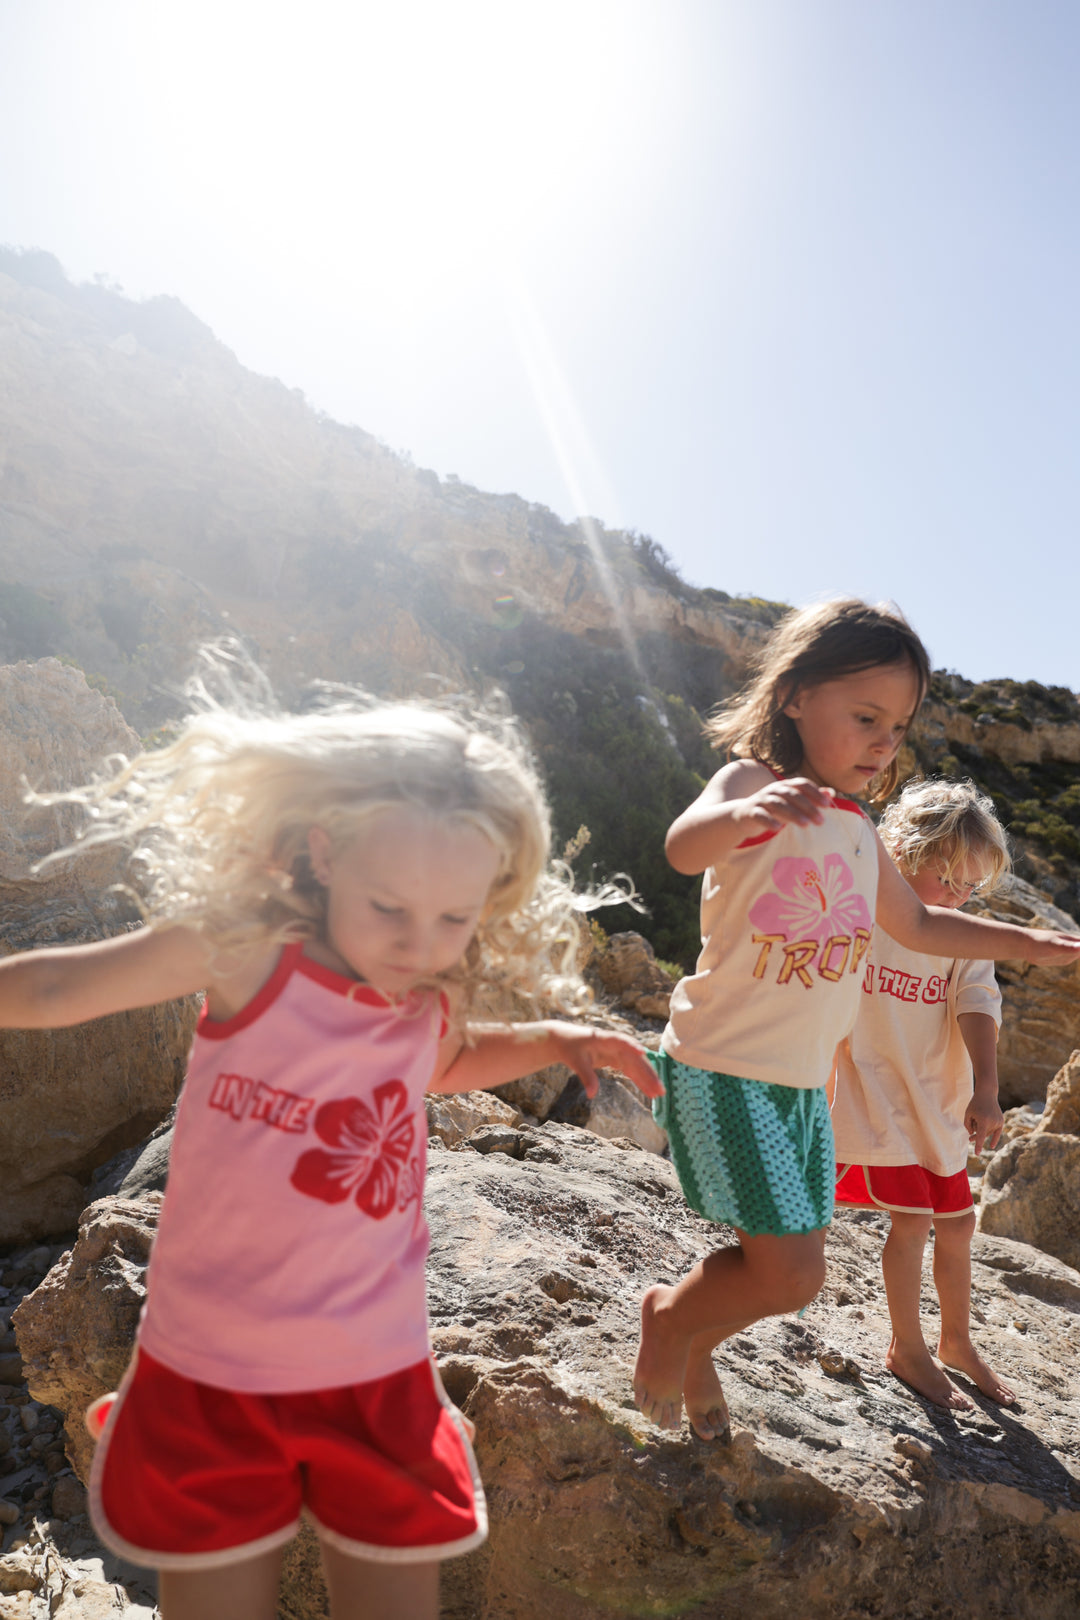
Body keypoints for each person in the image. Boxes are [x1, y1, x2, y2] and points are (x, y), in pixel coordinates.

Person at [0, 652, 661, 1620]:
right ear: (322, 851)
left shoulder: (426, 993)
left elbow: (447, 1060)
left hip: (377, 1377)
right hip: (212, 1375)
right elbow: (61, 986)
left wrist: (560, 1037)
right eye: (389, 908)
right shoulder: (246, 954)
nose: (419, 943)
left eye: (454, 918)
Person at [632, 598, 1080, 1441]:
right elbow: (683, 846)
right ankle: (668, 1322)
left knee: (782, 1266)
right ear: (797, 695)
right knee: (790, 1273)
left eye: (898, 728)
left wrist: (1029, 941)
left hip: (800, 1086)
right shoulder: (756, 784)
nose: (883, 744)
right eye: (866, 717)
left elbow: (918, 924)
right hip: (726, 1066)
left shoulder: (858, 827)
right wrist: (747, 817)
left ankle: (693, 1338)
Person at [831, 778, 1015, 1409]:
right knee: (911, 1219)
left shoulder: (961, 933)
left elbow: (978, 1002)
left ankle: (957, 1340)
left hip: (936, 1095)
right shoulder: (861, 912)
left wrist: (986, 1090)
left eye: (971, 887)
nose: (960, 897)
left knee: (959, 1223)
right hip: (873, 1089)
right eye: (949, 880)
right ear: (904, 851)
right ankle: (906, 1348)